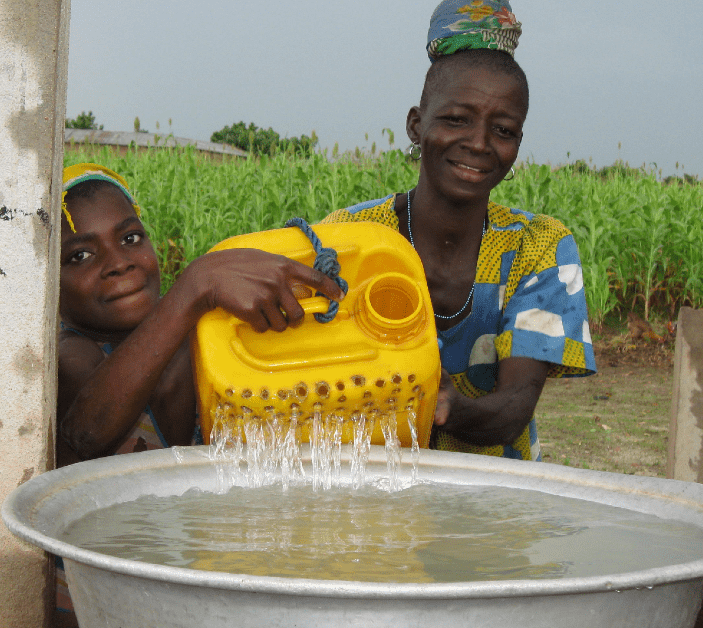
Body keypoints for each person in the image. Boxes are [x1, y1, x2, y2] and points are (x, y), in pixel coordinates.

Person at [55, 163, 342, 625]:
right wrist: (196, 285)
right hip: (97, 606)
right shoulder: (70, 355)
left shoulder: (201, 343)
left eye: (130, 239)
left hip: (184, 592)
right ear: (46, 279)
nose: (119, 263)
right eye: (80, 256)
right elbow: (87, 432)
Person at [320, 0, 595, 461]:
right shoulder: (349, 237)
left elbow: (513, 409)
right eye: (456, 120)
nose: (479, 144)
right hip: (369, 495)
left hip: (492, 505)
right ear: (416, 124)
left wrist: (446, 406)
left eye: (503, 129)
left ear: (517, 145)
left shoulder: (539, 246)